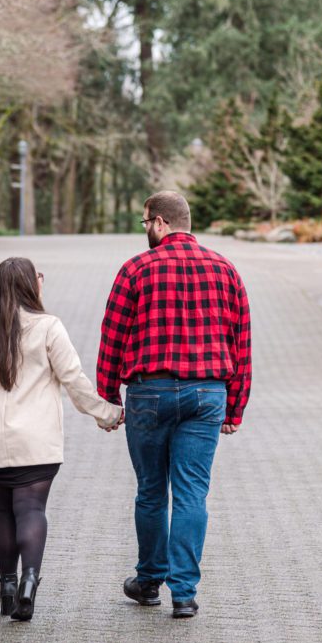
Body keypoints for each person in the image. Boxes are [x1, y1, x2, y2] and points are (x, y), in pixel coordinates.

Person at [97, 190, 252, 619]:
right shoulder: (226, 270)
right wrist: (235, 407)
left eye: (146, 223)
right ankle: (184, 593)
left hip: (149, 393)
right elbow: (242, 343)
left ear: (162, 223)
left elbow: (112, 336)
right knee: (191, 494)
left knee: (151, 491)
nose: (145, 231)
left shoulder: (135, 270)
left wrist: (108, 397)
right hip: (207, 395)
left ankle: (149, 581)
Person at [0, 257, 123, 622]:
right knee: (31, 510)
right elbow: (73, 380)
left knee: (4, 510)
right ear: (31, 285)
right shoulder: (48, 327)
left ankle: (7, 588)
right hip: (37, 442)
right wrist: (107, 413)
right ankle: (29, 582)